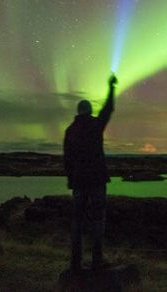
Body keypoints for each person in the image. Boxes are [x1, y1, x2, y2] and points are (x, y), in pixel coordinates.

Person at [63, 74, 118, 272]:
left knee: (76, 221)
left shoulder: (70, 131)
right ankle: (97, 261)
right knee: (98, 219)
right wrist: (111, 87)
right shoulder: (96, 125)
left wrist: (71, 180)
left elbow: (67, 159)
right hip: (96, 180)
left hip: (78, 182)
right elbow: (108, 109)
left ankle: (75, 263)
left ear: (78, 112)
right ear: (90, 110)